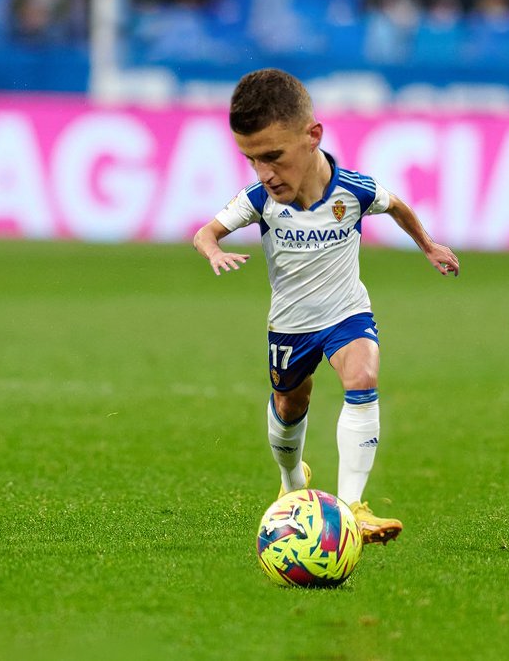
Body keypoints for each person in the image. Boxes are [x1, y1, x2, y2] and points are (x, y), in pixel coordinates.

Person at [193, 69, 460, 545]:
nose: (265, 173)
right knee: (290, 405)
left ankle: (354, 508)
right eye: (252, 160)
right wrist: (214, 251)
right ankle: (294, 484)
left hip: (346, 312)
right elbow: (206, 231)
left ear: (313, 136)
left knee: (362, 377)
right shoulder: (259, 200)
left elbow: (395, 204)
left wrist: (428, 245)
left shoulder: (353, 190)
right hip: (290, 325)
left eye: (273, 156)